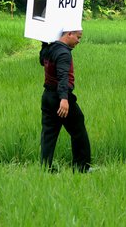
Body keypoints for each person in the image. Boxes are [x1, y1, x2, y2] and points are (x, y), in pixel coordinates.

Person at [39, 26, 92, 173]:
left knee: (49, 133)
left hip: (47, 96)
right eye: (78, 37)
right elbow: (63, 77)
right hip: (59, 97)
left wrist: (44, 42)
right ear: (69, 34)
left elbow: (42, 61)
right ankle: (81, 168)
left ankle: (45, 168)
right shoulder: (63, 53)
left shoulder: (50, 48)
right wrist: (64, 99)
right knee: (78, 129)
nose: (79, 41)